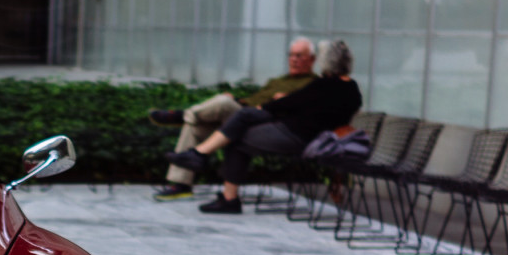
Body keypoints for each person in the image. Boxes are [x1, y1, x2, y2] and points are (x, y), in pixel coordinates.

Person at [167, 38, 363, 215]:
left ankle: (216, 180)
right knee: (243, 120)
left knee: (236, 134)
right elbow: (302, 106)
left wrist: (267, 106)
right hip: (309, 137)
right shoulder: (352, 89)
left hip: (296, 136)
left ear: (325, 61)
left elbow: (291, 103)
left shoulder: (324, 85)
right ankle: (205, 165)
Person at [148, 38, 315, 201]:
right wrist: (237, 100)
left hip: (265, 124)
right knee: (194, 125)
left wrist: (285, 101)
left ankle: (183, 115)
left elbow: (305, 113)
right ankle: (181, 185)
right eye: (291, 55)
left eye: (299, 55)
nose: (294, 59)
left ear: (312, 59)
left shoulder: (313, 84)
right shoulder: (278, 80)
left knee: (222, 103)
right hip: (243, 116)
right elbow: (253, 100)